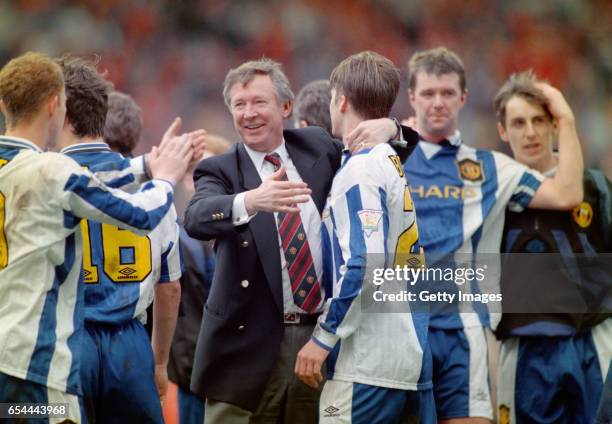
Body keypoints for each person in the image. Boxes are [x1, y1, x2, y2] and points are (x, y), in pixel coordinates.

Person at [184, 57, 411, 423]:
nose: (248, 114)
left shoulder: (318, 146)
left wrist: (389, 127)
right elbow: (195, 217)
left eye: (259, 102)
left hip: (319, 340)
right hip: (246, 350)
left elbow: (384, 161)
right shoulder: (220, 169)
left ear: (286, 106)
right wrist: (251, 200)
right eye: (239, 105)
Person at [0, 51, 192, 419]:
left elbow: (88, 180)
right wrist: (164, 177)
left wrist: (147, 165)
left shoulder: (27, 169)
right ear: (55, 104)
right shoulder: (52, 170)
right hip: (44, 358)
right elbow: (137, 213)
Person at [402, 47, 583, 423]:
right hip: (400, 329)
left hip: (465, 334)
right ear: (412, 97)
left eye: (448, 93)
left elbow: (567, 194)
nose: (438, 103)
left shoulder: (490, 168)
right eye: (429, 93)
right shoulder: (387, 159)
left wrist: (564, 117)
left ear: (463, 98)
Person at [293, 50, 431, 423]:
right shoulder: (388, 158)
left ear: (340, 100)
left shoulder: (360, 170)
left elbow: (363, 263)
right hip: (405, 350)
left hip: (366, 361)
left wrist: (323, 338)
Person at [494, 70, 612, 424]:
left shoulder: (595, 187)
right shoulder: (493, 194)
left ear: (554, 125)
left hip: (593, 343)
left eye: (539, 120)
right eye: (518, 123)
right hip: (521, 351)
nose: (530, 132)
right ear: (502, 130)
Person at [168, 133, 231, 424]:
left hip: (237, 372)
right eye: (196, 173)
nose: (202, 181)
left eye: (212, 172)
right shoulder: (173, 236)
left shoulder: (247, 230)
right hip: (191, 372)